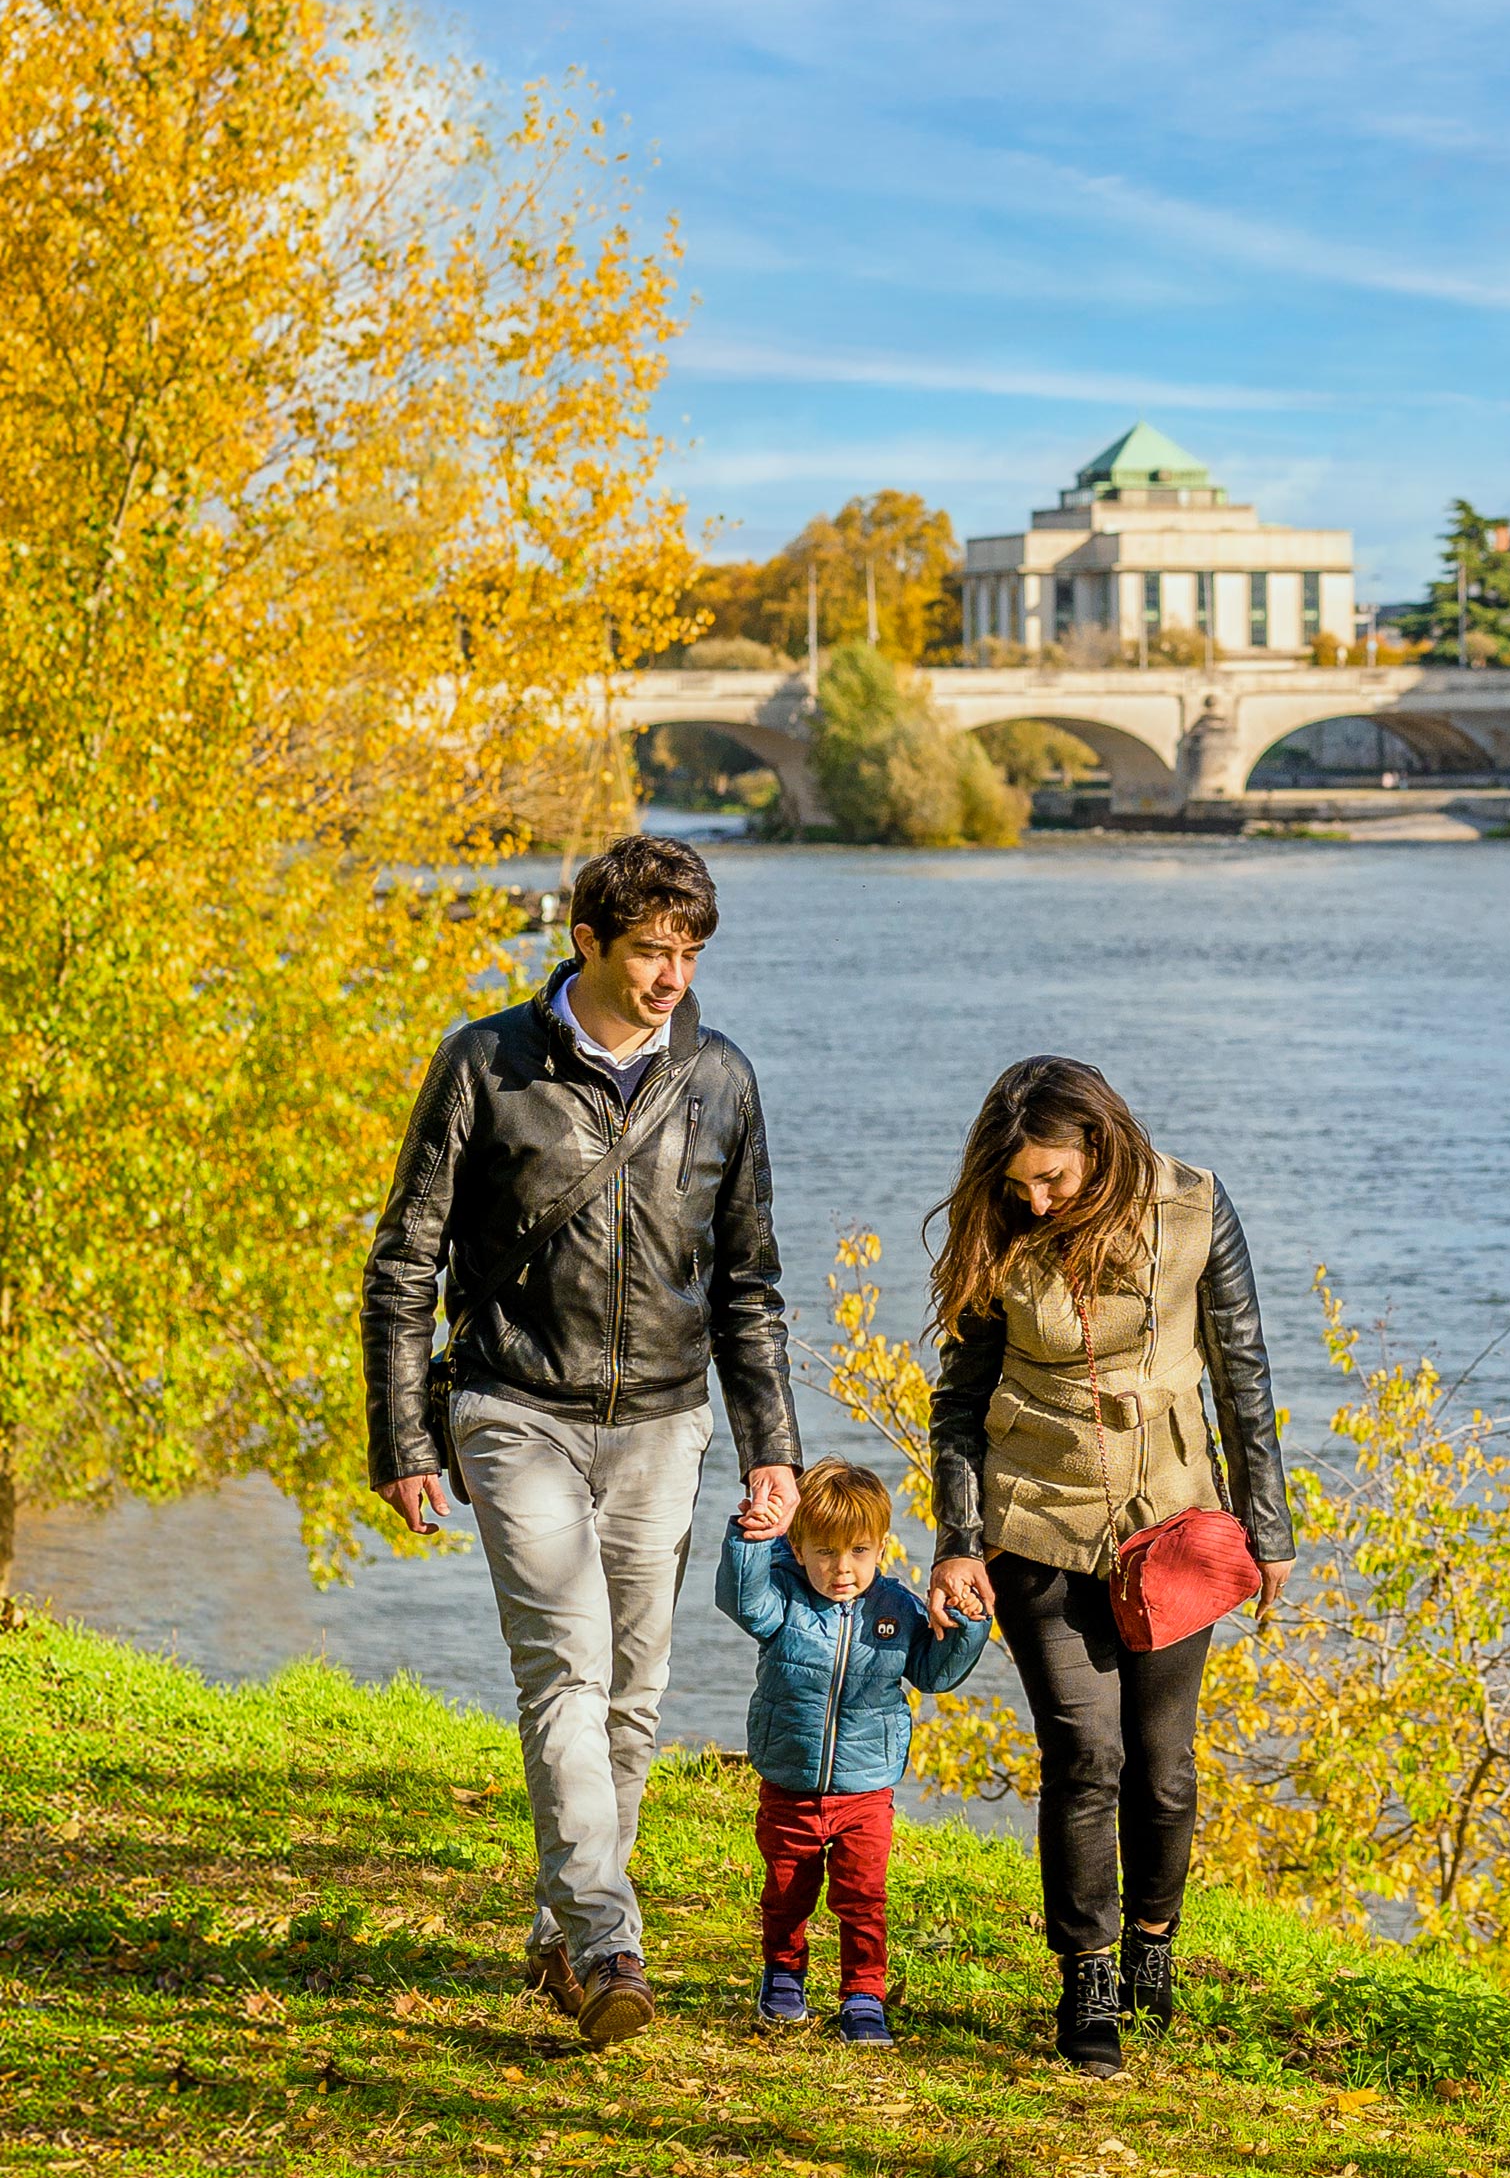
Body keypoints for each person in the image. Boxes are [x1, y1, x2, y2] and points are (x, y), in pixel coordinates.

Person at [362, 834, 801, 2049]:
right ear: (588, 942)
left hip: (665, 1419)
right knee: (567, 1664)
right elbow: (406, 1264)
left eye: (691, 951)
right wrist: (405, 1434)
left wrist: (776, 1449)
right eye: (652, 949)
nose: (673, 975)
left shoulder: (722, 1078)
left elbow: (748, 1284)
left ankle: (563, 1929)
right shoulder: (485, 1064)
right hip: (515, 1408)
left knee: (635, 1692)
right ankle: (612, 1940)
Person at [921, 1058, 1293, 2077]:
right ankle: (1085, 1977)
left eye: (1053, 1179)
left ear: (1104, 1145)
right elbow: (959, 1402)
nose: (1035, 1200)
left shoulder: (1196, 1207)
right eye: (1018, 1185)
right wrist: (957, 1539)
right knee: (1086, 1755)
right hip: (1035, 1522)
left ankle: (1152, 1943)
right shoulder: (999, 1233)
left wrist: (1270, 1527)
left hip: (1172, 1522)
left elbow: (1243, 1373)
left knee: (1162, 1769)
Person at [715, 1458, 989, 2047]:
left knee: (862, 1895)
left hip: (866, 1788)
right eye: (825, 1553)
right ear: (799, 1545)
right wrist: (750, 1537)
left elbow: (933, 1674)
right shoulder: (783, 1599)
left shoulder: (895, 1608)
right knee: (787, 1892)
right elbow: (742, 1601)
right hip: (790, 1779)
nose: (842, 1569)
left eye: (859, 1552)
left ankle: (864, 1994)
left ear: (882, 1547)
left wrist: (967, 1627)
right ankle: (783, 1976)